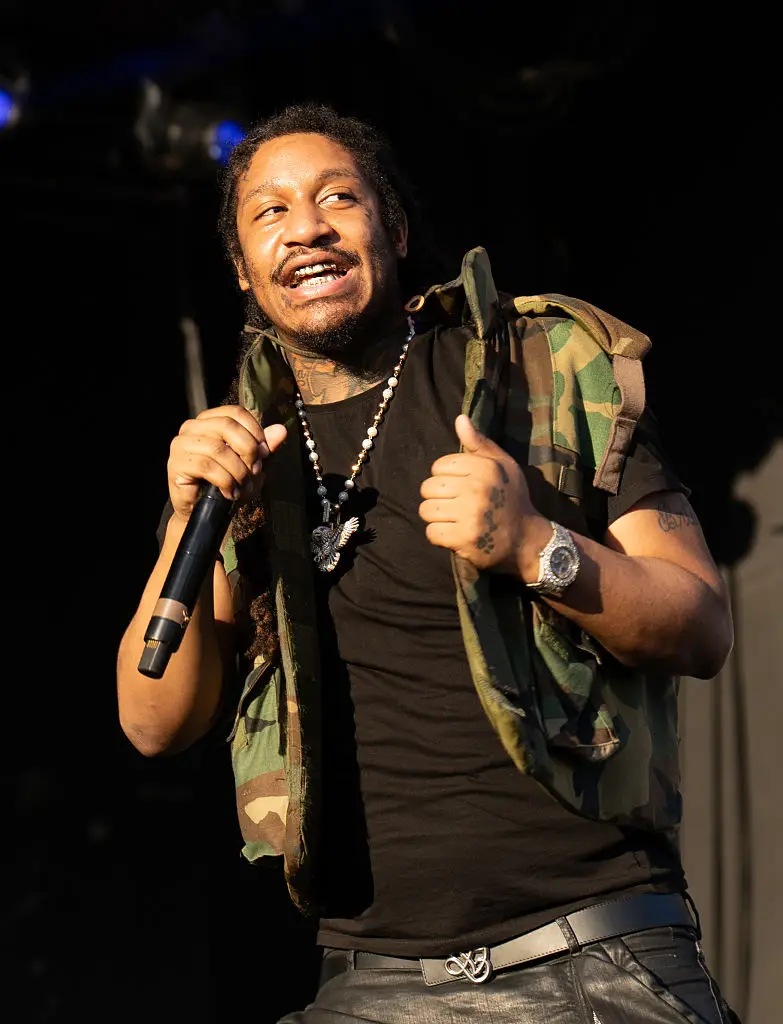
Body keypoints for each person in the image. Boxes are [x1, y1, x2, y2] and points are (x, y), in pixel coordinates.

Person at [116, 104, 737, 1024]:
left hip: (587, 955)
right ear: (243, 269)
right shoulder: (241, 453)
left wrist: (535, 546)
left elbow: (699, 624)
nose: (308, 226)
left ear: (394, 230)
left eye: (338, 197)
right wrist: (184, 521)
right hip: (369, 978)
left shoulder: (537, 365)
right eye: (270, 212)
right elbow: (154, 724)